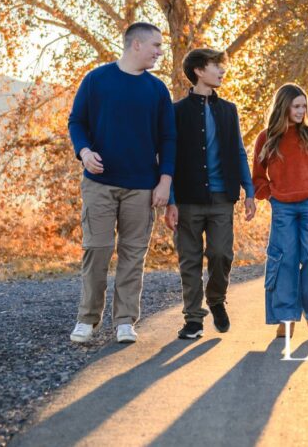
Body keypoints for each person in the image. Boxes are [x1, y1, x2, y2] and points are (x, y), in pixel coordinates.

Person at [67, 22, 176, 344]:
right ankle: (87, 320)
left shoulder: (157, 90)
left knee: (133, 254)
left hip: (142, 186)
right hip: (99, 183)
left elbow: (168, 139)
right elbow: (77, 121)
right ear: (136, 45)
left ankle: (126, 321)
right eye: (156, 45)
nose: (159, 51)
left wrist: (165, 182)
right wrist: (84, 151)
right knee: (97, 251)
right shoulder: (97, 80)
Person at [164, 49, 256, 340]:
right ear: (199, 71)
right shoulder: (176, 111)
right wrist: (171, 200)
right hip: (188, 199)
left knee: (221, 254)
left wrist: (249, 191)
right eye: (216, 66)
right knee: (189, 260)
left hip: (222, 197)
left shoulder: (228, 110)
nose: (222, 71)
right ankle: (193, 319)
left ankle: (216, 299)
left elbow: (239, 152)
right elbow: (168, 156)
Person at [253, 84, 308, 338]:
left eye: (304, 106)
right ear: (283, 107)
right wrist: (271, 196)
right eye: (296, 106)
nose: (301, 111)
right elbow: (257, 176)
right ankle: (286, 318)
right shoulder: (266, 138)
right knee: (285, 260)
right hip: (283, 208)